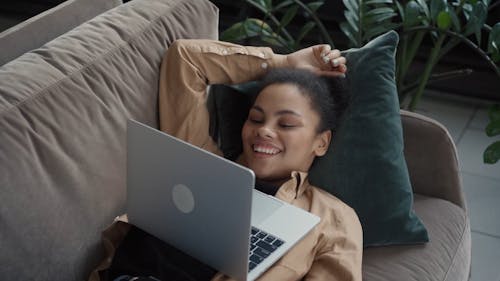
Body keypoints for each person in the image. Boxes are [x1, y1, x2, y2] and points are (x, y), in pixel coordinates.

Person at [95, 40, 362, 281]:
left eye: (287, 124)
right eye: (256, 118)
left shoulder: (332, 218)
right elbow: (186, 60)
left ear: (321, 142)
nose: (264, 130)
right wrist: (283, 62)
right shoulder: (199, 158)